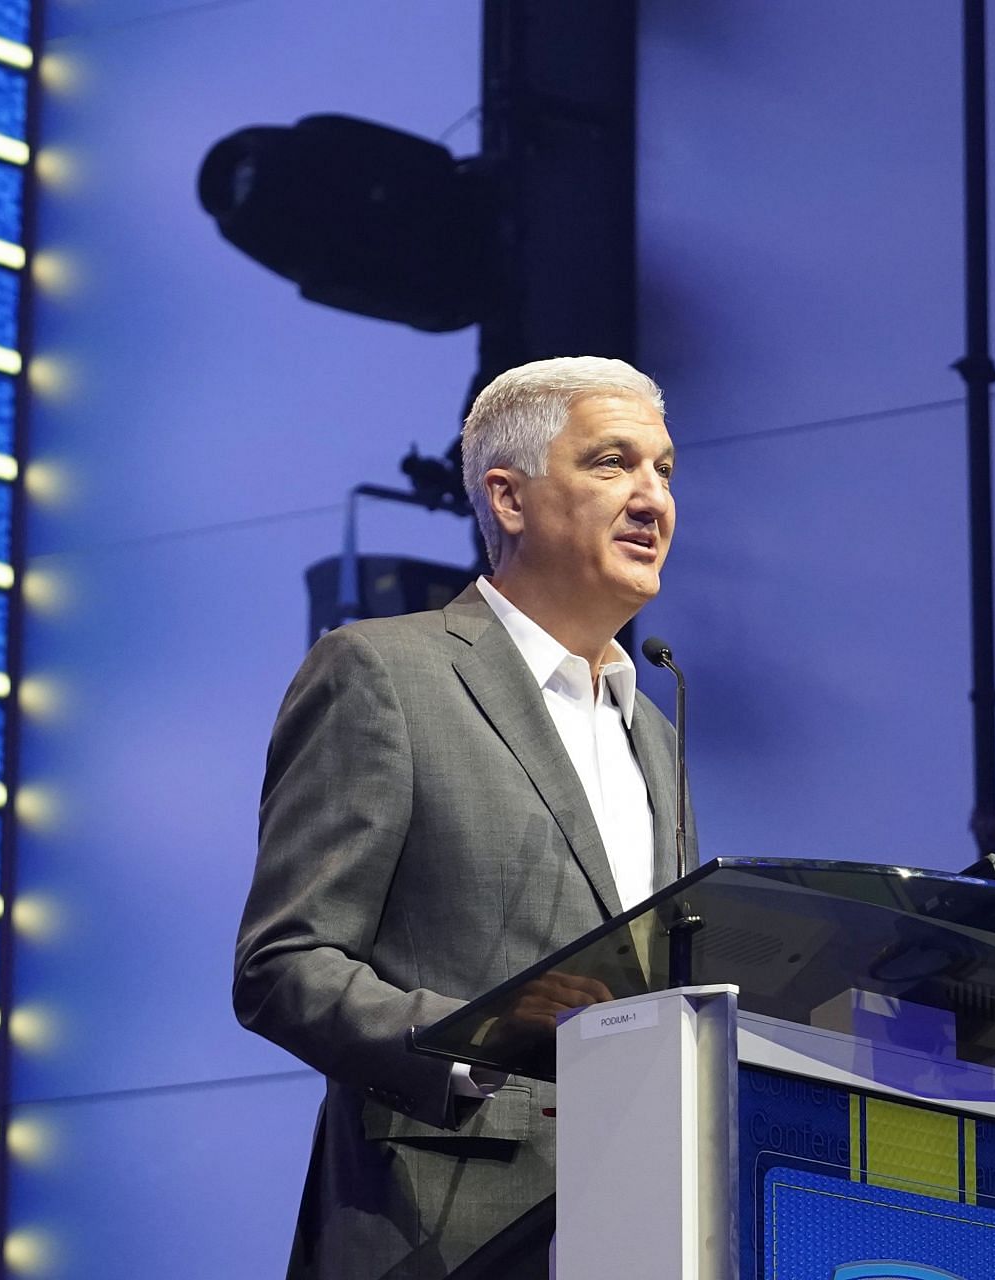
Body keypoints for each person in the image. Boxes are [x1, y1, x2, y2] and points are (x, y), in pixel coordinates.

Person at [233, 356, 693, 1278]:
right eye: (612, 463)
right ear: (508, 499)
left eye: (665, 470)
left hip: (642, 1222)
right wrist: (481, 1035)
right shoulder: (383, 674)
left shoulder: (658, 729)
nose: (652, 498)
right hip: (438, 1231)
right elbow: (283, 967)